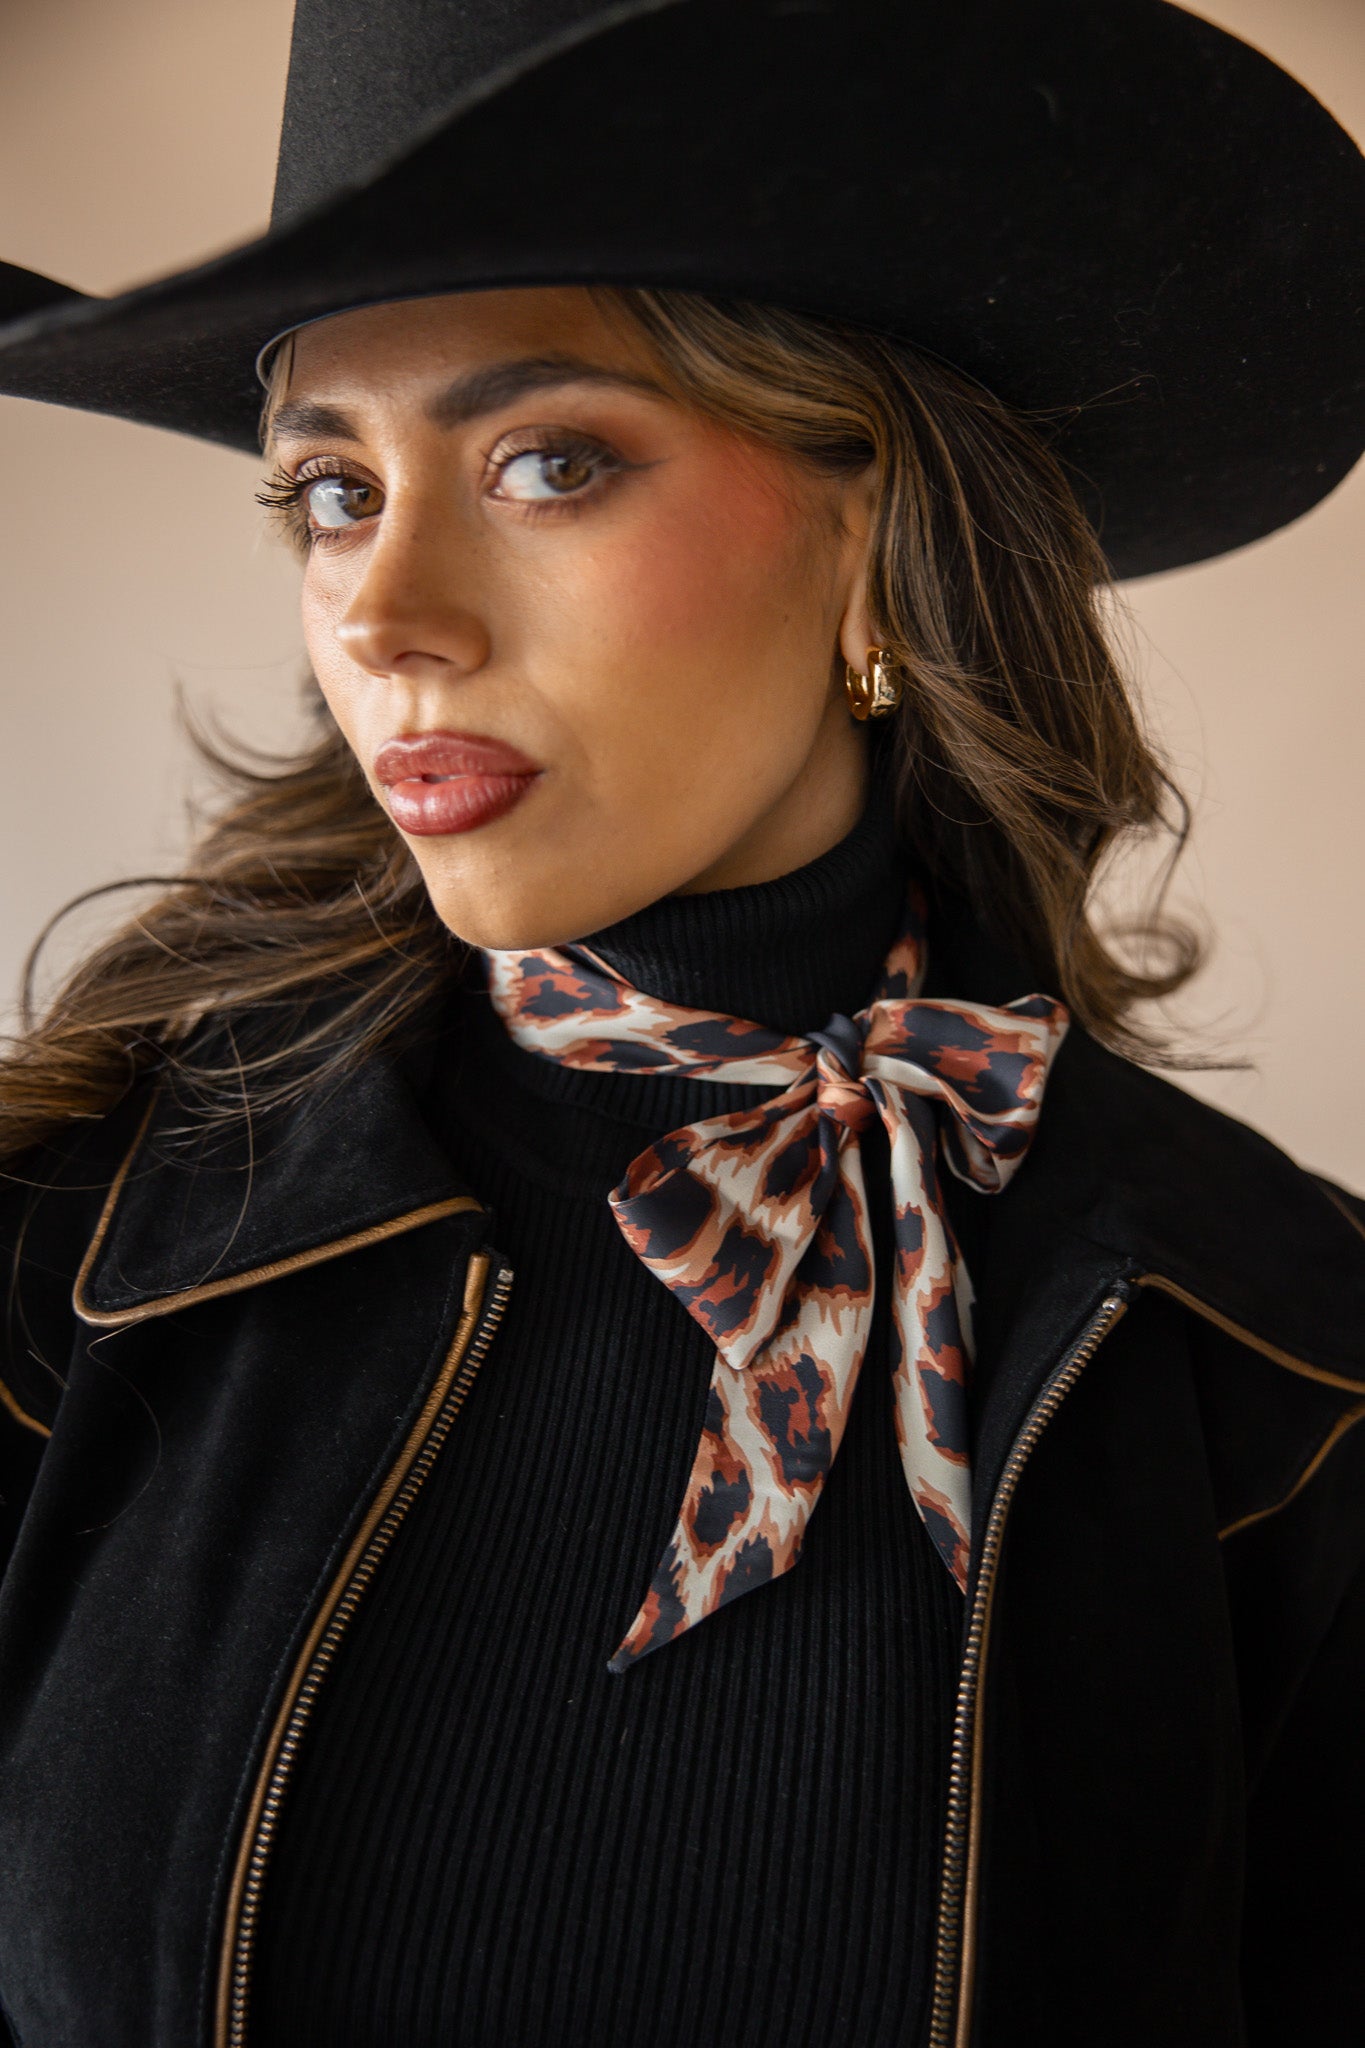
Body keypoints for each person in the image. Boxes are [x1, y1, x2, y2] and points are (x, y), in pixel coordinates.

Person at [0, 3, 1362, 2044]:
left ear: (867, 533)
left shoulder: (1278, 1350)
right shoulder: (67, 1247)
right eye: (328, 489)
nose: (382, 611)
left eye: (545, 462)